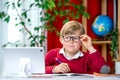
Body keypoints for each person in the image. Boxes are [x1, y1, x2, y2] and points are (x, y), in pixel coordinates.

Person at [45, 21, 110, 74]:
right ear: (61, 40)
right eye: (67, 38)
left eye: (75, 38)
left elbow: (105, 70)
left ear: (82, 41)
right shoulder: (53, 54)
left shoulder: (87, 58)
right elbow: (38, 70)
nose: (71, 41)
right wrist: (54, 69)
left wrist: (90, 48)